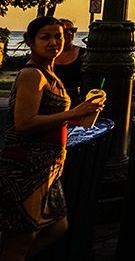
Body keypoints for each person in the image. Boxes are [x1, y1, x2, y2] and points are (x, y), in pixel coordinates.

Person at [0, 16, 103, 260]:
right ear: (30, 42)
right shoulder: (31, 75)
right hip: (25, 168)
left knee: (57, 227)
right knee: (22, 237)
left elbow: (55, 117)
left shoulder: (51, 74)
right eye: (45, 37)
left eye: (58, 36)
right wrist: (74, 112)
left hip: (48, 169)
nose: (54, 42)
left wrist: (84, 112)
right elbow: (24, 123)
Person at [52, 19, 86, 105]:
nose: (70, 33)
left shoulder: (83, 54)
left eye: (73, 30)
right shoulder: (50, 54)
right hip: (53, 100)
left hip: (76, 101)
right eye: (65, 31)